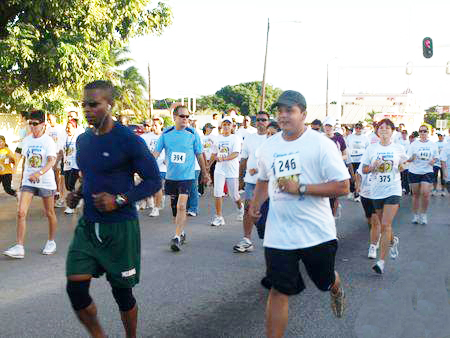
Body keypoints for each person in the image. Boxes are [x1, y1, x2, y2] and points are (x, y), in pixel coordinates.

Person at [249, 90, 350, 337]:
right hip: (279, 233)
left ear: (303, 114)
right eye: (280, 111)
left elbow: (343, 186)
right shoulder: (269, 147)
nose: (283, 116)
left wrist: (301, 188)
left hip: (316, 232)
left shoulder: (321, 145)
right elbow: (263, 179)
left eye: (290, 111)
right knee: (278, 290)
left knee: (323, 280)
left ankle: (335, 286)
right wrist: (255, 204)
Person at [65, 80, 161, 338]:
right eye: (84, 104)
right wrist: (77, 193)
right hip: (88, 226)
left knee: (122, 293)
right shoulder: (83, 140)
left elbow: (154, 180)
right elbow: (88, 175)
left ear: (110, 105)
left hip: (120, 228)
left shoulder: (128, 140)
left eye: (93, 104)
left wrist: (119, 199)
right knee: (75, 289)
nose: (87, 109)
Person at [3, 110, 58, 259]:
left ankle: (51, 241)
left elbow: (52, 161)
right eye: (30, 123)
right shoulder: (26, 140)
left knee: (49, 213)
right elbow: (19, 156)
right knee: (21, 212)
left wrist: (38, 174)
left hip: (46, 182)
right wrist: (12, 165)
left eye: (35, 124)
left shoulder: (48, 141)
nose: (32, 126)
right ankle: (20, 247)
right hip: (28, 181)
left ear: (43, 125)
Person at [154, 105, 209, 252]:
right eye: (182, 116)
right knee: (174, 210)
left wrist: (205, 173)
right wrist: (145, 167)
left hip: (188, 176)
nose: (185, 119)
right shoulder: (166, 133)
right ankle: (181, 232)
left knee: (182, 206)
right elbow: (156, 153)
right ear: (175, 118)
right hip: (171, 177)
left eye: (187, 117)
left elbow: (199, 154)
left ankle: (176, 237)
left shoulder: (193, 133)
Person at [362, 119, 407, 274]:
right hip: (376, 190)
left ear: (392, 131)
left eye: (387, 127)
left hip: (393, 189)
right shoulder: (371, 148)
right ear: (377, 131)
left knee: (386, 225)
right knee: (382, 224)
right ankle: (392, 241)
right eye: (381, 127)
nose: (384, 130)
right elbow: (365, 169)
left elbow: (404, 164)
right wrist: (373, 166)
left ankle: (381, 262)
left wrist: (402, 167)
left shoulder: (398, 148)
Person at [233, 111, 270, 253]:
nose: (261, 122)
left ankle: (271, 237)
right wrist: (241, 178)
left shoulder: (273, 137)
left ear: (268, 121)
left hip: (268, 182)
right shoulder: (249, 138)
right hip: (251, 180)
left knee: (266, 212)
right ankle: (247, 240)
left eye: (264, 120)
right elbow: (244, 159)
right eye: (259, 120)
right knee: (248, 209)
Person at [210, 117, 244, 226]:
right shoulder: (217, 138)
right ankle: (219, 217)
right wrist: (207, 166)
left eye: (228, 124)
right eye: (224, 124)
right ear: (221, 126)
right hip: (220, 169)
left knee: (234, 194)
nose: (226, 126)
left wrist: (224, 159)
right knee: (217, 192)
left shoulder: (235, 138)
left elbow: (236, 153)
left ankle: (240, 208)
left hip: (232, 169)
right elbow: (214, 154)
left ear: (232, 126)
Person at [406, 125, 439, 224]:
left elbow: (436, 156)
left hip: (427, 171)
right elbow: (408, 159)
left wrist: (433, 160)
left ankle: (423, 214)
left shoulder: (433, 144)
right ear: (419, 133)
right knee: (415, 195)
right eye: (421, 131)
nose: (423, 133)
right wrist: (412, 158)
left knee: (425, 193)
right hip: (414, 171)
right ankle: (416, 215)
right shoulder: (413, 144)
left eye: (425, 131)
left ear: (427, 132)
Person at [141, 116, 167, 216]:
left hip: (162, 166)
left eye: (156, 125)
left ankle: (156, 208)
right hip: (151, 165)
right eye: (153, 125)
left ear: (161, 125)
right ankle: (160, 201)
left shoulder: (165, 137)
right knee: (156, 187)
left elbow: (170, 149)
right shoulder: (147, 136)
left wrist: (167, 159)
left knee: (158, 187)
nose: (154, 127)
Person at [323, 116, 348, 217]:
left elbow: (346, 154)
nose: (328, 128)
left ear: (333, 127)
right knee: (324, 198)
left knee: (333, 198)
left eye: (330, 126)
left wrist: (337, 159)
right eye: (326, 126)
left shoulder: (339, 138)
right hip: (323, 173)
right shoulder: (319, 138)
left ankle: (332, 219)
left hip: (335, 171)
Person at [61, 119, 81, 214]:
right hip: (66, 165)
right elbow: (61, 151)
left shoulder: (78, 138)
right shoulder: (64, 138)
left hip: (75, 165)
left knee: (71, 184)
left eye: (69, 128)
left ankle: (71, 206)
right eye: (66, 128)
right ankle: (78, 197)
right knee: (68, 186)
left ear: (75, 128)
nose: (67, 130)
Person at [346, 122, 369, 201]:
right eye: (357, 128)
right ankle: (352, 190)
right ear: (355, 129)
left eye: (360, 128)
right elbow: (347, 147)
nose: (358, 129)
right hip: (352, 159)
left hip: (361, 160)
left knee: (358, 176)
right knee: (351, 176)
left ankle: (357, 194)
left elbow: (368, 149)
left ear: (362, 129)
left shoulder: (365, 138)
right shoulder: (350, 137)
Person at [46, 112, 65, 207]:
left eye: (50, 119)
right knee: (52, 172)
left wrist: (59, 153)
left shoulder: (61, 128)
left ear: (55, 118)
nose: (49, 121)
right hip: (51, 153)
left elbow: (62, 141)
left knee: (57, 172)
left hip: (58, 153)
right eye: (48, 119)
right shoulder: (48, 129)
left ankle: (58, 191)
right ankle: (55, 190)